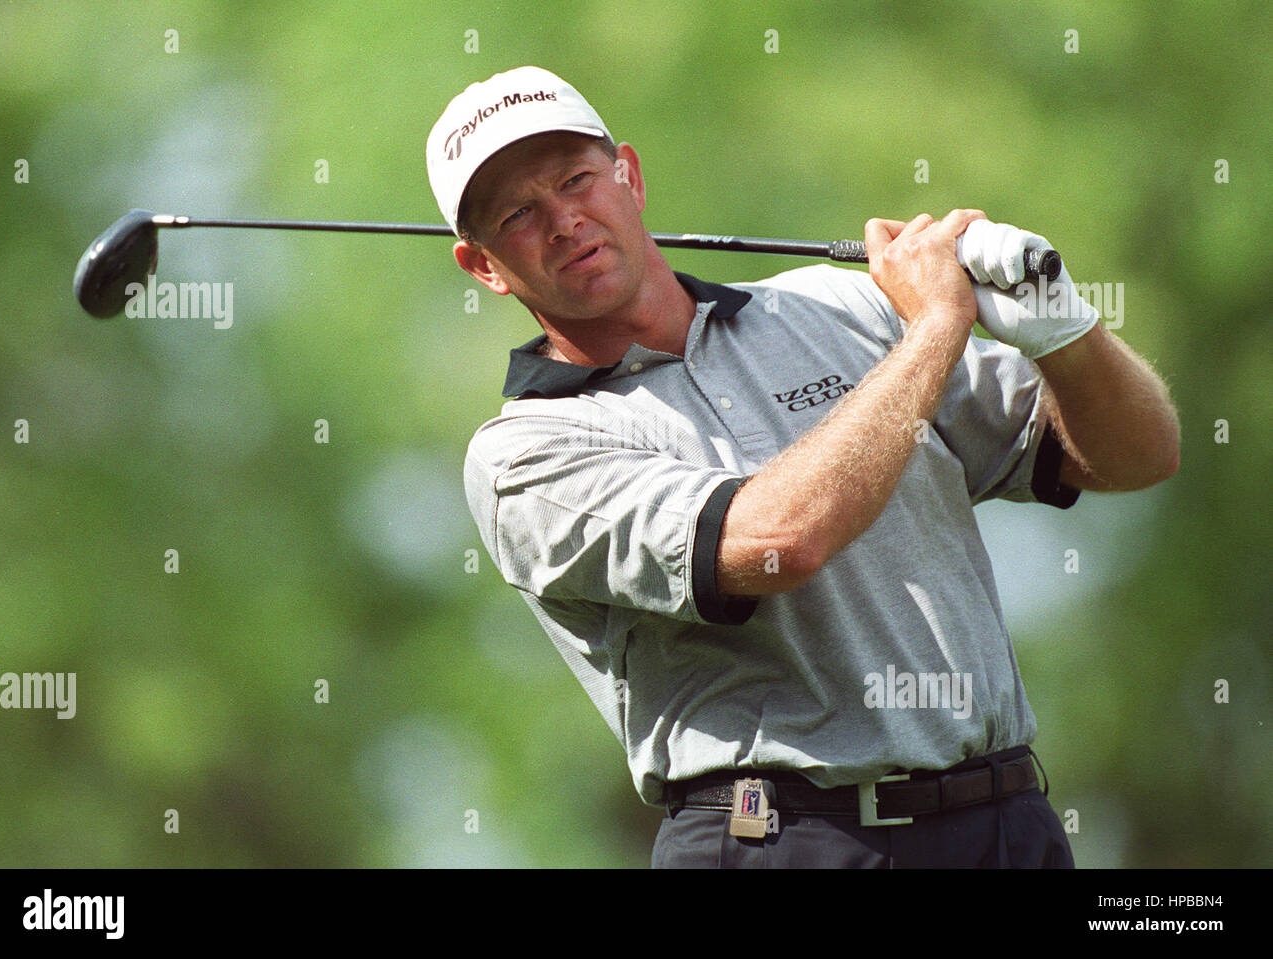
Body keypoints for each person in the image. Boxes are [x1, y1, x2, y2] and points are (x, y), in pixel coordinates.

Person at [426, 66, 1180, 868]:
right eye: (518, 213)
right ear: (484, 267)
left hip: (1006, 825)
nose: (564, 220)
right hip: (782, 840)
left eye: (577, 179)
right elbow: (779, 539)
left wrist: (1063, 327)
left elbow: (1138, 454)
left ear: (630, 177)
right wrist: (934, 330)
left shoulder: (832, 306)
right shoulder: (525, 454)